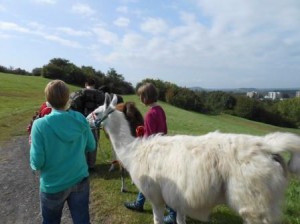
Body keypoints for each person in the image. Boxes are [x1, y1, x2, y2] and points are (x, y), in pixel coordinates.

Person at [30, 80, 96, 224]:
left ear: (47, 100)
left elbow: (37, 163)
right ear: (68, 98)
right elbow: (91, 145)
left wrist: (32, 146)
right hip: (80, 179)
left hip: (53, 185)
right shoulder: (80, 118)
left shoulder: (39, 125)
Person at [124, 82, 177, 224]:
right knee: (147, 179)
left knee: (160, 183)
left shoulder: (149, 114)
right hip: (163, 149)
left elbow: (149, 139)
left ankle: (173, 214)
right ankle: (139, 203)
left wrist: (141, 137)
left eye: (141, 95)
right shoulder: (160, 110)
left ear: (146, 97)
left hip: (153, 154)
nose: (140, 98)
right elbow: (163, 131)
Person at [70, 78, 105, 171]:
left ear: (86, 84)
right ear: (94, 84)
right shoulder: (101, 95)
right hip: (95, 124)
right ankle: (91, 165)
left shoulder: (79, 93)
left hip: (81, 123)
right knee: (93, 144)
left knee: (83, 144)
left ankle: (84, 165)